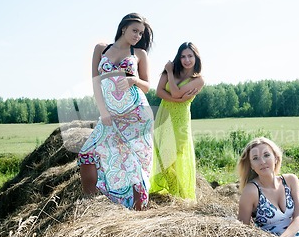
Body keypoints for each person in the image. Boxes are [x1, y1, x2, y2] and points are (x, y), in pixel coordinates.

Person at [78, 13, 154, 210]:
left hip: (136, 115)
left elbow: (147, 86)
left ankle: (138, 212)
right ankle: (92, 206)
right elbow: (95, 82)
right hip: (110, 113)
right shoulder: (101, 49)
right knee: (86, 154)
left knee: (134, 163)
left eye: (141, 33)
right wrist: (103, 112)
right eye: (134, 31)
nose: (138, 36)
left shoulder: (139, 54)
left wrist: (133, 80)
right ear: (123, 28)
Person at [149, 42, 205, 200]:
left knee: (173, 159)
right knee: (162, 157)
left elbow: (174, 91)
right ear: (178, 58)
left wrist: (169, 73)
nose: (186, 60)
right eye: (183, 56)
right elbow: (159, 92)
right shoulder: (170, 71)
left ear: (196, 58)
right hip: (163, 117)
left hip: (180, 122)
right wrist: (178, 99)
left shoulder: (199, 80)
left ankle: (180, 197)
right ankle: (174, 194)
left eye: (190, 56)